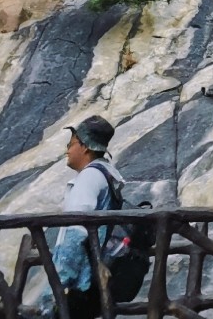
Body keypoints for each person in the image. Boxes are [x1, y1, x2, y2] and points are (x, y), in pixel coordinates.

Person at [43, 117, 122, 319]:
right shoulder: (108, 174)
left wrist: (58, 285)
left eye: (71, 144)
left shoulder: (89, 177)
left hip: (79, 283)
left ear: (85, 146)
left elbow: (76, 232)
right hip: (94, 279)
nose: (67, 150)